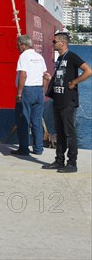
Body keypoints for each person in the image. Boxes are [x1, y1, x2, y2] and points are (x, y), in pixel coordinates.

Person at [42, 32, 92, 173]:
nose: (53, 44)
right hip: (57, 99)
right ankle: (59, 160)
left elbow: (88, 71)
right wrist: (51, 77)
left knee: (70, 133)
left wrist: (74, 82)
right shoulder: (60, 59)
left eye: (55, 41)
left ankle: (72, 163)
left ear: (62, 43)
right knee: (60, 132)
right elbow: (62, 77)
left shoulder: (71, 56)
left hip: (68, 101)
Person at [11, 35, 50, 156]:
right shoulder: (39, 57)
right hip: (38, 90)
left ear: (23, 45)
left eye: (18, 44)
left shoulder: (23, 56)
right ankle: (38, 149)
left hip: (27, 91)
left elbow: (23, 74)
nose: (17, 47)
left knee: (23, 120)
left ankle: (24, 149)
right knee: (36, 121)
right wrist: (42, 91)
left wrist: (19, 92)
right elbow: (45, 75)